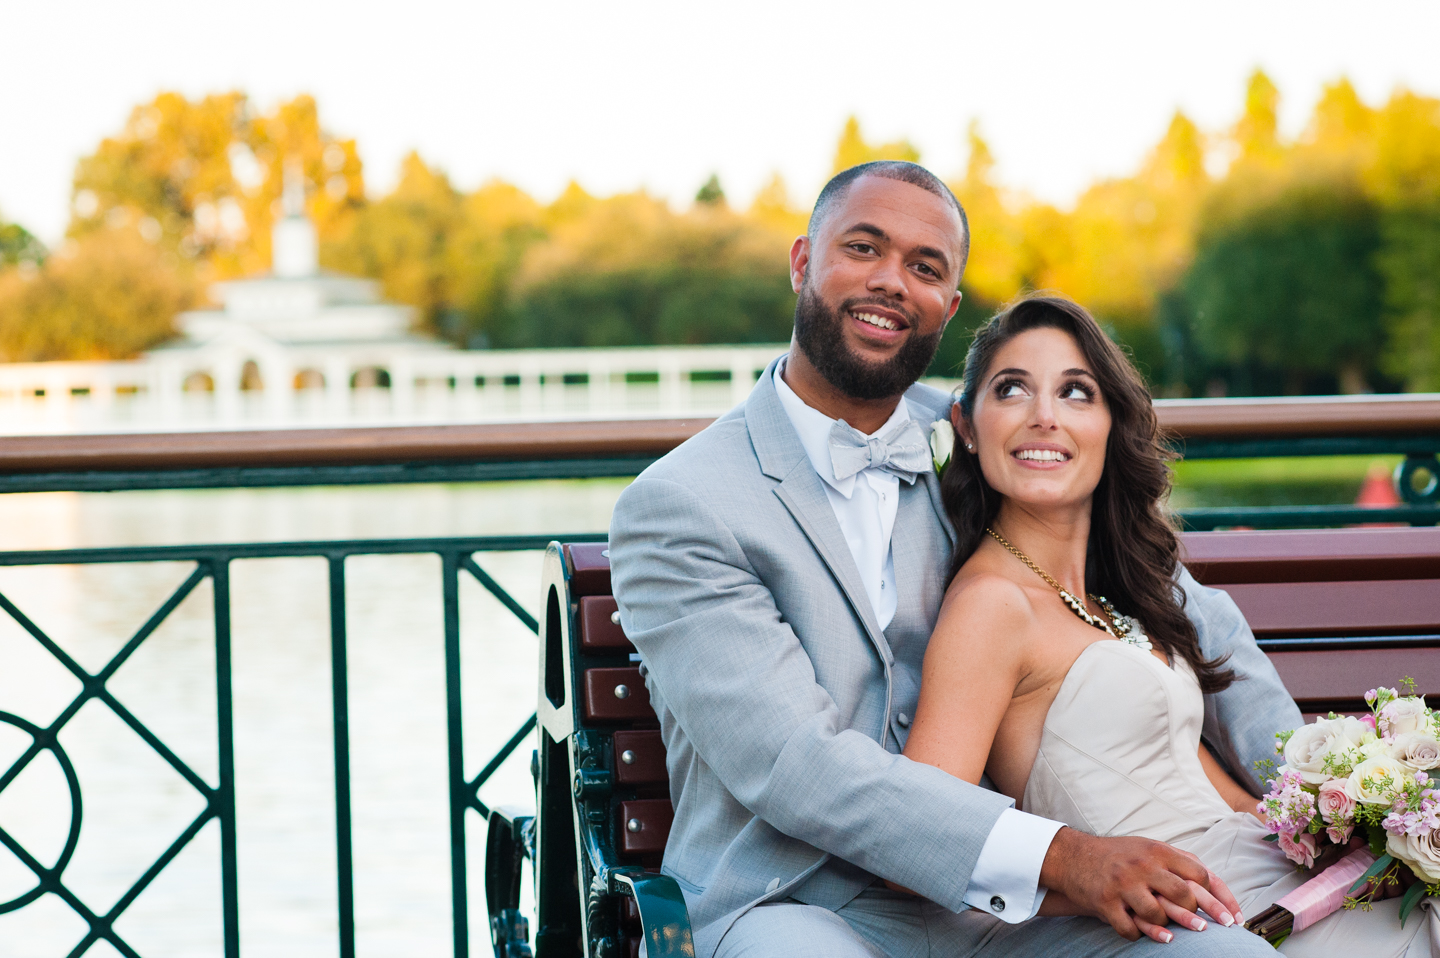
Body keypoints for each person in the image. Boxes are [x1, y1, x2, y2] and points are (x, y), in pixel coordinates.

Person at [608, 160, 1292, 958]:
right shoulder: (683, 505)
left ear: (950, 305)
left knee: (1223, 953)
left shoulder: (990, 430)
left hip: (1004, 913)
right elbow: (796, 765)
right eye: (863, 248)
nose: (893, 282)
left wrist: (1328, 792)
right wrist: (1063, 855)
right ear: (802, 262)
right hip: (792, 900)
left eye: (925, 268)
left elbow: (1190, 613)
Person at [904, 293, 1437, 955]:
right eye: (1012, 389)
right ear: (967, 424)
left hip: (1263, 876)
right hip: (1177, 921)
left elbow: (1216, 798)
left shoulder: (1120, 598)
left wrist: (1355, 833)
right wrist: (1082, 879)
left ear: (1109, 422)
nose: (1044, 417)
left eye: (1076, 392)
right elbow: (922, 829)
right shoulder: (991, 605)